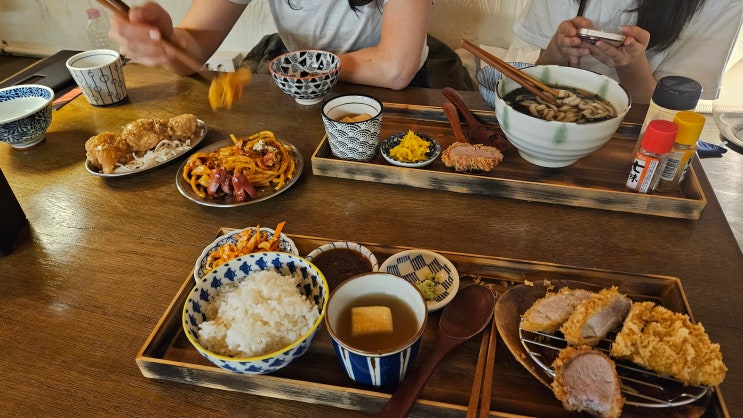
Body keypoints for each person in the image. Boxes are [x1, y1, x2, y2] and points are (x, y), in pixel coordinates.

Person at [109, 0, 432, 90]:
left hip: (394, 94)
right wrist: (167, 41)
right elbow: (191, 53)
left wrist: (296, 66)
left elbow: (393, 69)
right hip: (300, 84)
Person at [512, 0, 743, 103]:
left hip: (633, 139)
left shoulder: (721, 4)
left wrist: (632, 66)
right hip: (554, 115)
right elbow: (539, 76)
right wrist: (558, 48)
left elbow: (665, 117)